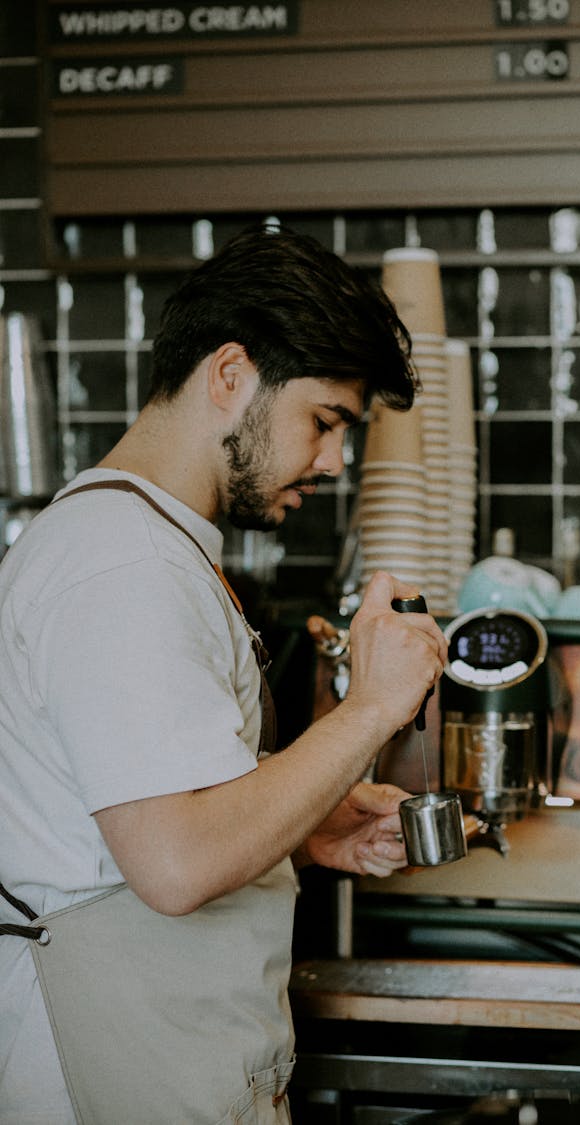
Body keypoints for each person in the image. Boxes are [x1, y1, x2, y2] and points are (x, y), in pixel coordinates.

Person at [0, 225, 447, 1124]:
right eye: (323, 422)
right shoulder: (121, 564)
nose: (332, 462)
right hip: (105, 1076)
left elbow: (154, 821)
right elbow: (175, 861)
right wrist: (372, 708)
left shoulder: (144, 544)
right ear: (232, 374)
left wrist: (303, 825)